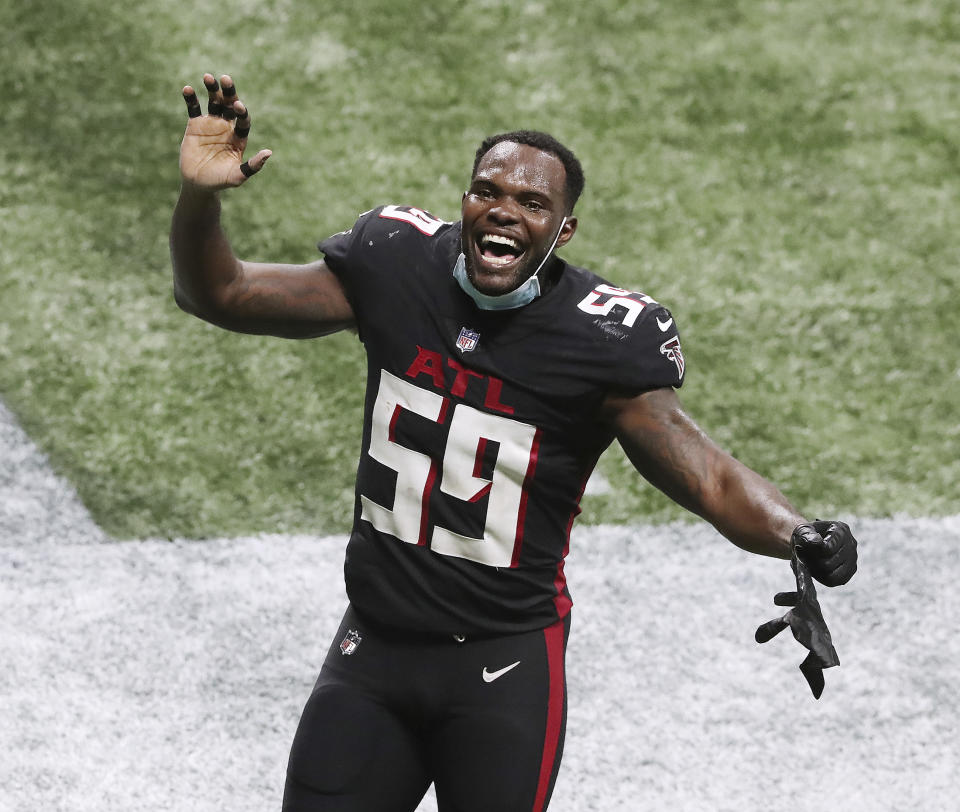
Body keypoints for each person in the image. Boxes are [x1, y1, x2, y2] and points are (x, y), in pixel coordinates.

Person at [171, 74, 858, 812]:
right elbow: (219, 294)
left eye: (533, 203)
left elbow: (710, 477)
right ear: (465, 201)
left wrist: (796, 532)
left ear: (562, 232)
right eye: (487, 191)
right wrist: (200, 196)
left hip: (503, 667)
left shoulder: (599, 338)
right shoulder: (396, 265)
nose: (504, 211)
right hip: (373, 648)